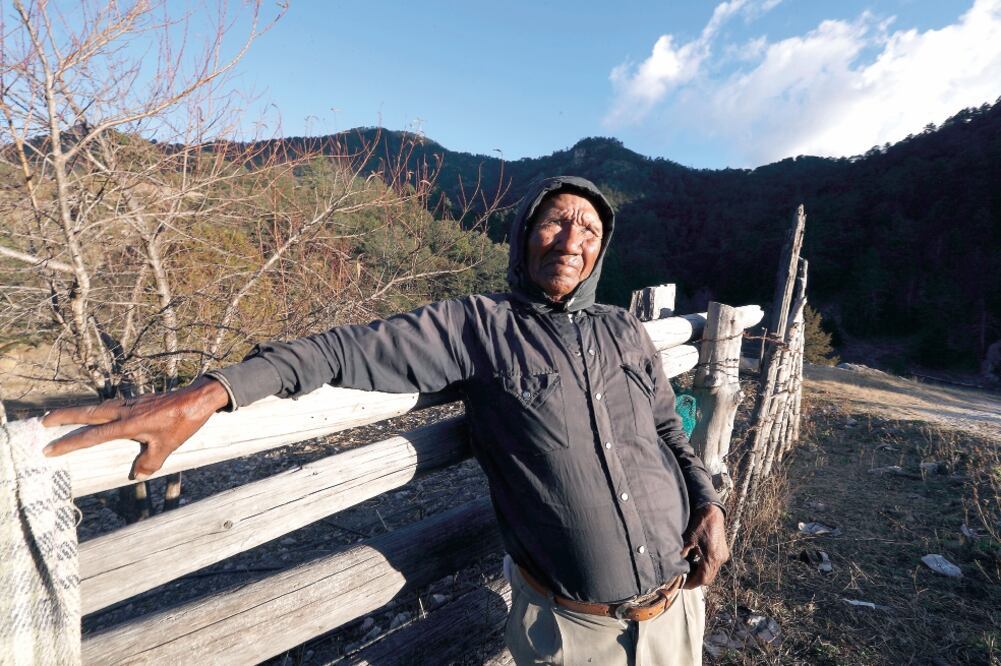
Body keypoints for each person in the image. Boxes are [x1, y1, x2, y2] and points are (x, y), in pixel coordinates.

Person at [44, 176, 728, 665]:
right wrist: (208, 393)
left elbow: (667, 432)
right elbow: (341, 350)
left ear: (601, 250)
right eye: (554, 220)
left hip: (676, 610)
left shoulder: (623, 330)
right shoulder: (477, 327)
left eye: (588, 227)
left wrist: (705, 501)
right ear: (523, 235)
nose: (569, 238)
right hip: (572, 633)